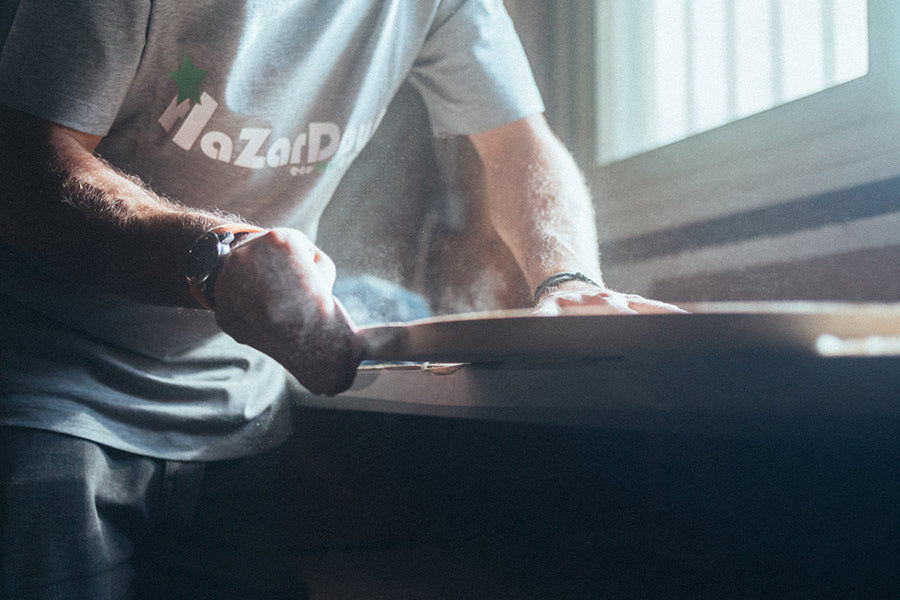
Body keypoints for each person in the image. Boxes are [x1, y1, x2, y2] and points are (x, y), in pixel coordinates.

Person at [0, 0, 681, 598]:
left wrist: (568, 281)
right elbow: (24, 162)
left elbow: (518, 144)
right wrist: (219, 257)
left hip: (240, 413)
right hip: (50, 392)